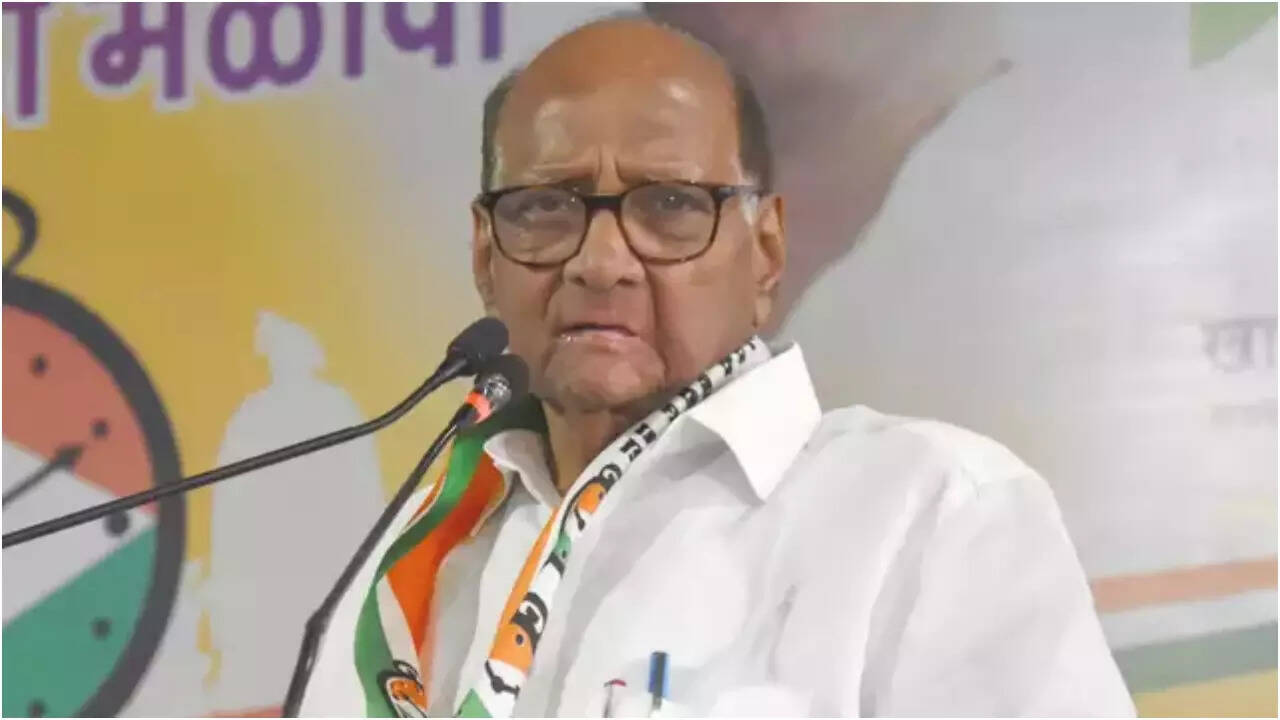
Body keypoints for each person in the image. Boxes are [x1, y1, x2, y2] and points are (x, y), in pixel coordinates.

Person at [299, 17, 1134, 717]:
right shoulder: (413, 567)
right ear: (486, 256)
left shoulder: (929, 513)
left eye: (669, 205)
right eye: (546, 207)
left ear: (765, 251)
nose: (600, 261)